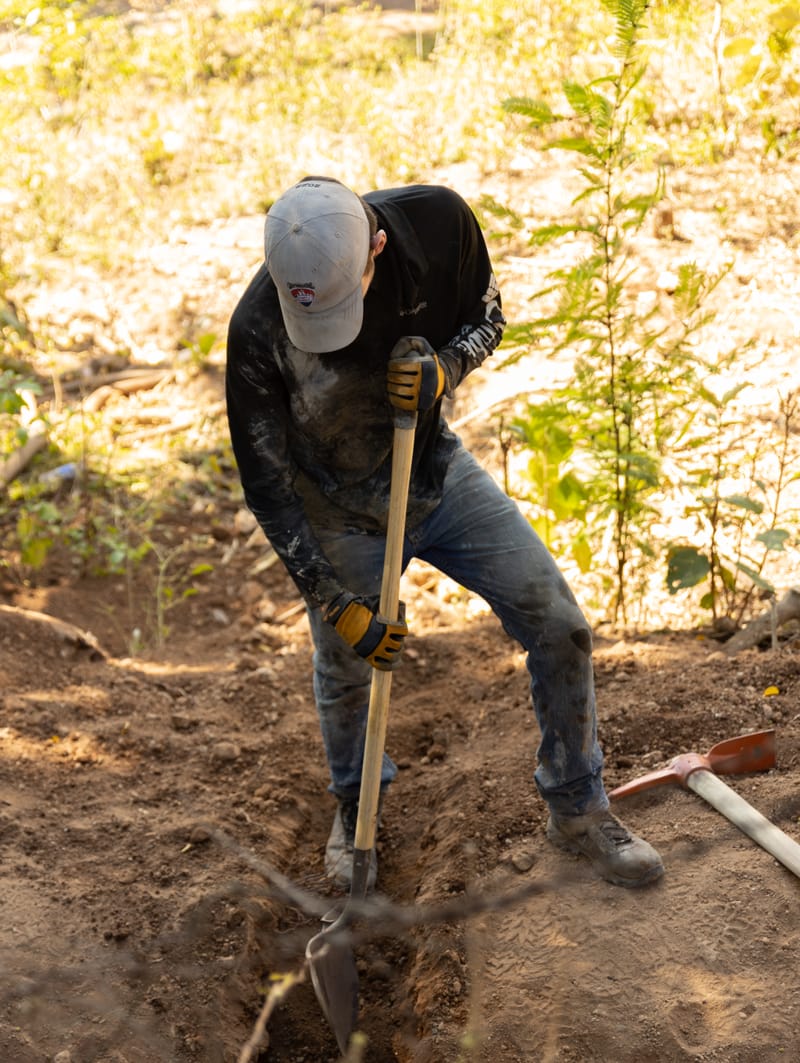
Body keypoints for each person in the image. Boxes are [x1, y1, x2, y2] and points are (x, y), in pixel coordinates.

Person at [225, 176, 664, 891]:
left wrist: (444, 368)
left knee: (560, 624)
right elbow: (266, 485)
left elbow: (489, 316)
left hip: (434, 476)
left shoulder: (438, 228)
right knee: (345, 670)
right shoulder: (258, 329)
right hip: (334, 511)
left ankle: (580, 809)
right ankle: (354, 813)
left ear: (378, 246)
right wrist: (335, 600)